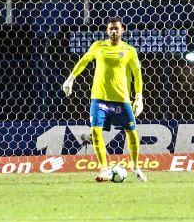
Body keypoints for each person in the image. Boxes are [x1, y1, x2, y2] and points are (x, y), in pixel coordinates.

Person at [62, 17, 146, 182]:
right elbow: (84, 61)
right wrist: (70, 79)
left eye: (116, 28)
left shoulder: (130, 51)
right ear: (107, 31)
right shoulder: (97, 46)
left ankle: (136, 167)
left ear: (123, 30)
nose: (113, 31)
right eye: (111, 29)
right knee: (95, 131)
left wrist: (139, 97)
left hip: (121, 100)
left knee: (132, 134)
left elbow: (137, 75)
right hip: (98, 98)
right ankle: (104, 169)